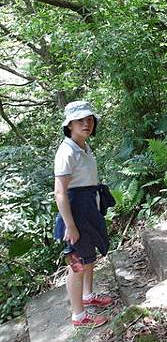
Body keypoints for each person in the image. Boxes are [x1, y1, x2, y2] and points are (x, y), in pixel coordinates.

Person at [53, 101, 113, 328]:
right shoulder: (66, 151)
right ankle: (78, 316)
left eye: (89, 119)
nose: (86, 123)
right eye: (80, 120)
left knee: (89, 256)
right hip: (76, 212)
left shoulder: (84, 147)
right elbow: (60, 192)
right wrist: (70, 225)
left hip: (89, 208)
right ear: (69, 125)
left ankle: (88, 296)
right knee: (77, 264)